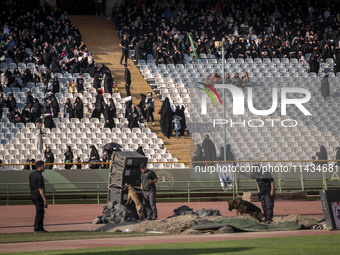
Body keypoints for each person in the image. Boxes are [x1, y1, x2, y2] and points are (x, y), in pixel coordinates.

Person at [29, 160, 48, 233]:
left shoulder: (32, 174)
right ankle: (37, 228)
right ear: (39, 166)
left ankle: (40, 227)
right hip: (38, 195)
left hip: (33, 195)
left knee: (40, 211)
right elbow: (40, 188)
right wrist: (44, 198)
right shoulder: (39, 175)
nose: (44, 167)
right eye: (43, 166)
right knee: (40, 212)